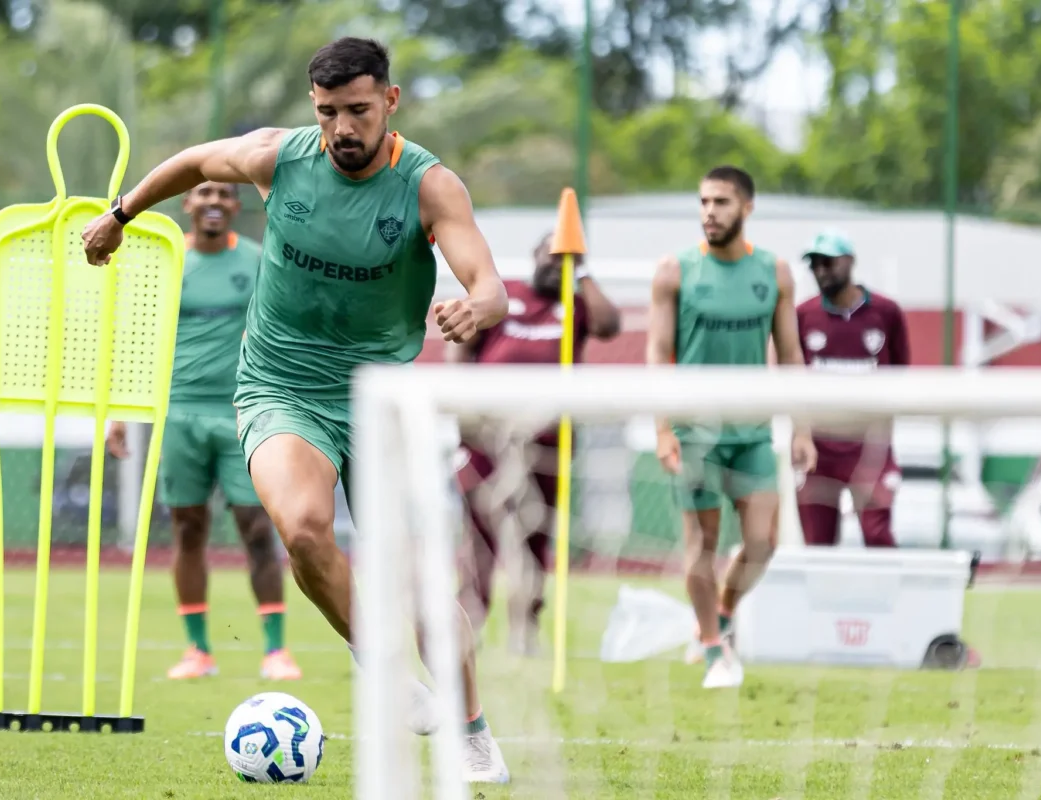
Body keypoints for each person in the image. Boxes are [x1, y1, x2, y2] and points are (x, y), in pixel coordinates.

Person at [81, 37, 510, 783]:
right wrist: (121, 213)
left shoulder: (429, 186)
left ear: (390, 102)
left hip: (380, 400)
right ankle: (380, 663)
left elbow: (491, 286)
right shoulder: (277, 158)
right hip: (281, 387)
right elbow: (193, 162)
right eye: (327, 112)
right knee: (305, 529)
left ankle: (471, 731)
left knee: (420, 583)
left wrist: (475, 306)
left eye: (358, 110)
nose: (342, 128)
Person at [106, 182, 301, 682]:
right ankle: (198, 651)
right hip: (179, 414)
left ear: (236, 205)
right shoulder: (165, 262)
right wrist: (119, 412)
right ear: (187, 203)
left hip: (242, 413)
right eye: (203, 192)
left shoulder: (257, 260)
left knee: (258, 528)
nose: (213, 201)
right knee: (188, 529)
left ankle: (276, 651)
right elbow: (138, 336)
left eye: (223, 194)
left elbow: (284, 328)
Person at [646, 165, 817, 689]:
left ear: (747, 207)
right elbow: (657, 352)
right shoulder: (674, 271)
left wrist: (802, 429)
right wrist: (663, 429)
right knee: (701, 545)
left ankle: (719, 615)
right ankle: (713, 649)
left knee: (764, 543)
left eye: (720, 202)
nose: (709, 212)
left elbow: (790, 354)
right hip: (695, 433)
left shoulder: (776, 272)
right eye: (703, 202)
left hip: (752, 433)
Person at [447, 232, 621, 656]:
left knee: (536, 534)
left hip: (547, 440)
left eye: (566, 258)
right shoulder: (505, 297)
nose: (557, 263)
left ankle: (525, 628)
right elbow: (462, 349)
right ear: (534, 255)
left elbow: (610, 326)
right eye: (551, 255)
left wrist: (582, 272)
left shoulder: (577, 305)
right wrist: (462, 408)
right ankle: (470, 622)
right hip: (489, 434)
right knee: (480, 533)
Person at [795, 230, 910, 548]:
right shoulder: (803, 315)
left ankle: (887, 584)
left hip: (870, 446)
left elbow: (900, 371)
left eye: (828, 262)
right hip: (819, 448)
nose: (821, 271)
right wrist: (801, 434)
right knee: (817, 543)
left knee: (877, 535)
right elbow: (793, 379)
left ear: (849, 261)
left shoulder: (886, 312)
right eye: (814, 264)